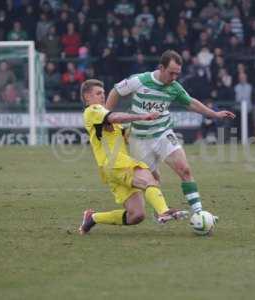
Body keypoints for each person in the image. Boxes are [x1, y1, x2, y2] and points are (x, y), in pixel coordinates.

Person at [106, 50, 235, 215]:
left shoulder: (174, 87)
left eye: (177, 74)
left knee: (185, 170)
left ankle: (198, 213)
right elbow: (116, 91)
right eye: (171, 73)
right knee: (153, 181)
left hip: (163, 133)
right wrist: (106, 116)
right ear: (161, 67)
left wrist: (215, 114)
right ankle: (162, 212)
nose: (174, 77)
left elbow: (191, 103)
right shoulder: (139, 80)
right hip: (139, 139)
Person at [78, 79, 188, 235]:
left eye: (103, 93)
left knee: (136, 215)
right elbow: (115, 117)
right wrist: (142, 117)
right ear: (87, 97)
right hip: (116, 163)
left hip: (112, 169)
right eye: (98, 93)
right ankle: (163, 211)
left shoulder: (104, 117)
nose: (103, 96)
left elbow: (125, 132)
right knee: (149, 180)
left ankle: (93, 218)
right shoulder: (93, 110)